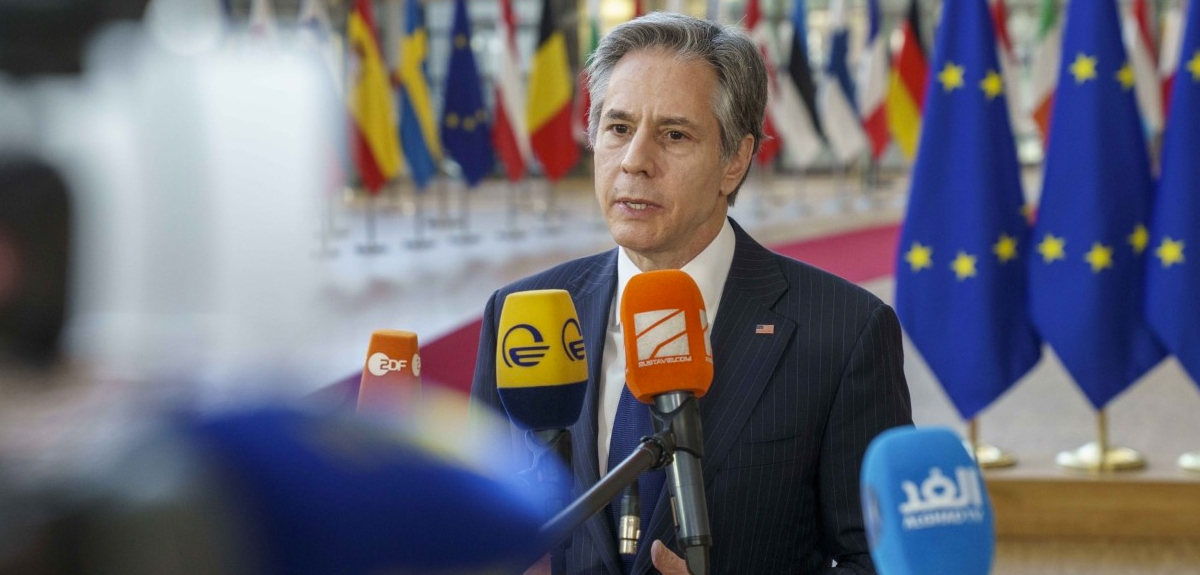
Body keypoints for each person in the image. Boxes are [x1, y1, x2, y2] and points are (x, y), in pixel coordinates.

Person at [470, 12, 912, 575]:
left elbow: (884, 562)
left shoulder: (844, 332)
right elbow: (471, 532)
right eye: (618, 128)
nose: (635, 161)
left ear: (735, 160)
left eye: (674, 135)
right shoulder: (523, 313)